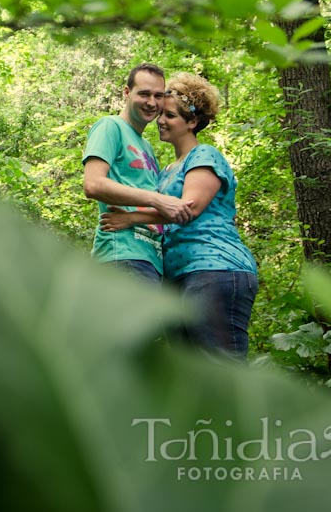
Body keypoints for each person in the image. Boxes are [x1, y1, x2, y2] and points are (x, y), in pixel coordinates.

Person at [100, 72, 258, 358]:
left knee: (221, 372)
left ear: (192, 122)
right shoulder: (166, 171)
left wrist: (132, 218)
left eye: (170, 115)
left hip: (214, 269)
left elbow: (188, 208)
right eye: (162, 114)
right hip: (179, 279)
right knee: (192, 378)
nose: (161, 120)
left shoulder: (205, 156)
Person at [82, 62, 193, 283]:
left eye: (158, 96)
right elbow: (93, 184)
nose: (151, 102)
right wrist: (157, 199)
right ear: (127, 92)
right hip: (122, 255)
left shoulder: (146, 147)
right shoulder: (110, 127)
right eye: (144, 94)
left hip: (149, 260)